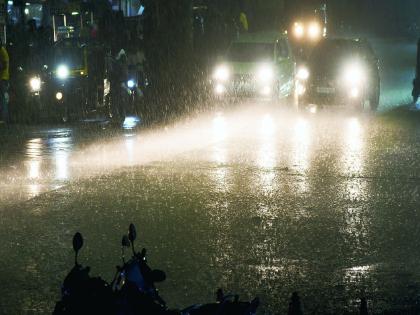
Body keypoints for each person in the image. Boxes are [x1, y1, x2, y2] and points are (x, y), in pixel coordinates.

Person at [0, 38, 10, 124]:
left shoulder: (3, 52)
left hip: (3, 78)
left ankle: (3, 118)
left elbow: (4, 66)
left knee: (2, 98)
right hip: (3, 77)